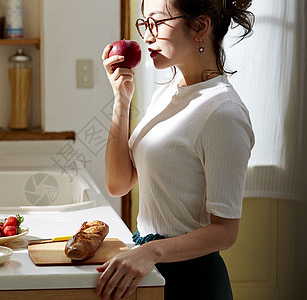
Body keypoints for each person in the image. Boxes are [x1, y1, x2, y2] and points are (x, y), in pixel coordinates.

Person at [95, 0, 255, 299]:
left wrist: (150, 252)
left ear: (200, 26)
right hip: (149, 266)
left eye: (157, 22)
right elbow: (118, 184)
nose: (147, 35)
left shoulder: (223, 111)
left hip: (190, 277)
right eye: (144, 24)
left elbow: (225, 231)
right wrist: (121, 100)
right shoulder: (167, 93)